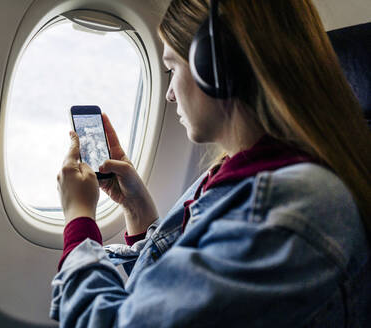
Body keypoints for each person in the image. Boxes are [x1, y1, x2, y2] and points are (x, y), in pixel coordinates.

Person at [51, 0, 371, 326]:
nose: (170, 95)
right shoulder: (235, 173)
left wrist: (79, 219)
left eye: (172, 68)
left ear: (216, 65)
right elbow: (177, 306)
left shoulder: (286, 210)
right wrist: (137, 211)